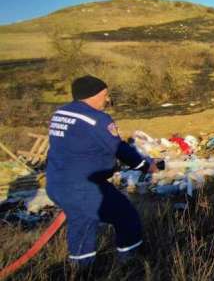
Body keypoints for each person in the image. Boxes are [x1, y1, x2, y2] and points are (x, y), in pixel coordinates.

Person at [46, 75, 157, 266]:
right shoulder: (97, 119)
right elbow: (119, 148)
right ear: (92, 95)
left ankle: (82, 274)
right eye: (104, 94)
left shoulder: (60, 113)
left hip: (57, 183)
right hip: (84, 187)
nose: (107, 99)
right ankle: (131, 264)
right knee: (124, 215)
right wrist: (146, 165)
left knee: (83, 223)